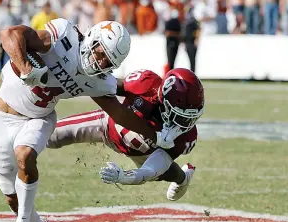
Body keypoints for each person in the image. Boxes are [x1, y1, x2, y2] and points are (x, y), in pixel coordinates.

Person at [0, 19, 182, 222]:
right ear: (92, 39)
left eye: (108, 62)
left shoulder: (97, 80)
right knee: (10, 195)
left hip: (39, 118)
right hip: (3, 116)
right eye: (100, 53)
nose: (100, 63)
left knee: (25, 155)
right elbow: (9, 33)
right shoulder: (63, 38)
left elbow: (119, 113)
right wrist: (27, 68)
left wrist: (155, 135)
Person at [48, 68, 203, 197]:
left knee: (164, 173)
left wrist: (123, 176)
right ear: (164, 102)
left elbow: (147, 172)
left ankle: (183, 178)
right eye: (180, 116)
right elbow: (108, 86)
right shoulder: (145, 85)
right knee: (50, 136)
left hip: (144, 153)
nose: (184, 125)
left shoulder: (185, 137)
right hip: (109, 126)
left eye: (190, 118)